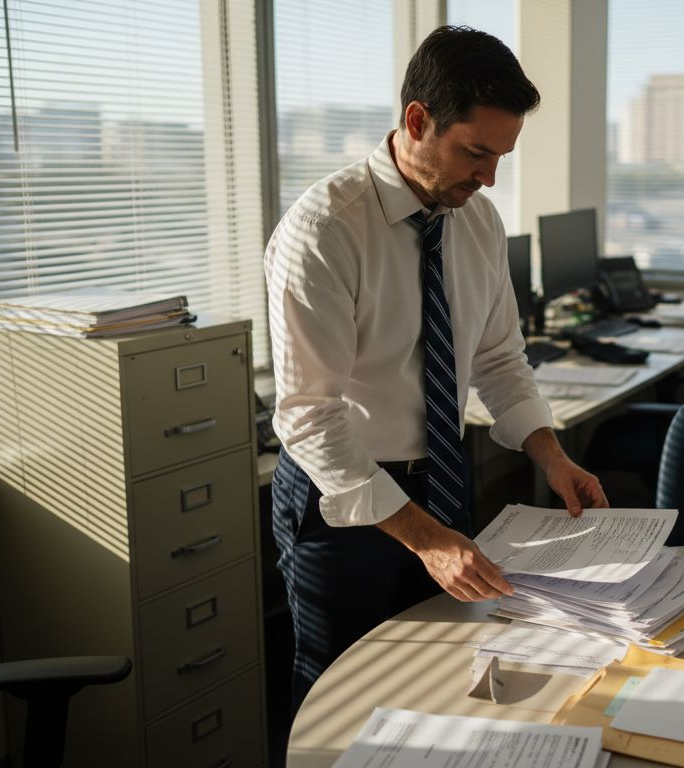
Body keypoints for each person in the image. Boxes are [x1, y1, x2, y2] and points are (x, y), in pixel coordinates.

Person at [264, 25, 609, 712]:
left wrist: (551, 455)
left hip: (444, 486)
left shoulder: (477, 222)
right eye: (476, 153)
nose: (489, 178)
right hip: (346, 503)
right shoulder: (324, 229)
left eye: (500, 157)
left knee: (440, 683)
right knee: (341, 698)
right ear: (417, 121)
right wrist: (425, 540)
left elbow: (499, 357)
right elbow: (309, 416)